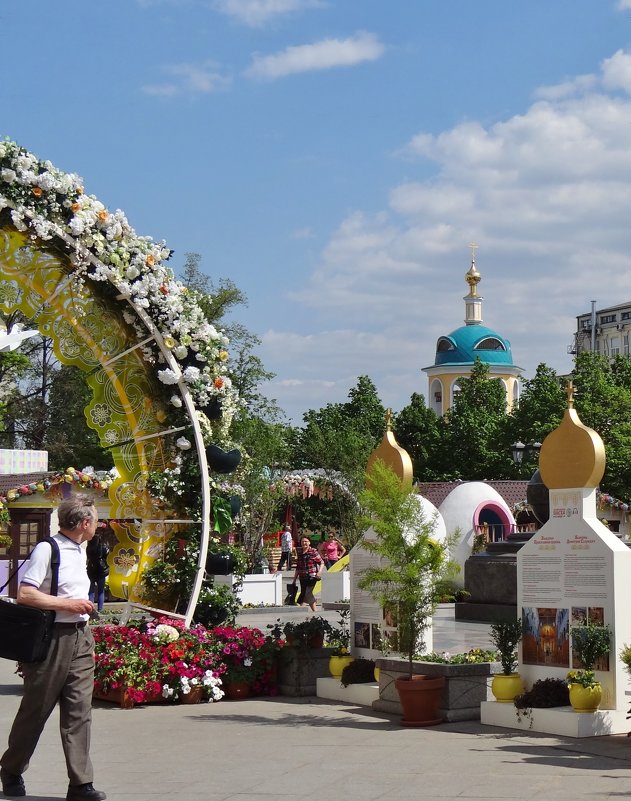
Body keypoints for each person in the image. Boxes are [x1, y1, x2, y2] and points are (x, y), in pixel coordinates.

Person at [0, 494, 106, 801]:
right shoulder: (48, 548)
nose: (97, 524)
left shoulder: (80, 549)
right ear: (85, 522)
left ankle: (81, 783)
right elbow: (26, 595)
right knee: (36, 712)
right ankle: (11, 769)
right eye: (95, 519)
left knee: (79, 712)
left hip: (80, 638)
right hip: (51, 641)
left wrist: (81, 620)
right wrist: (68, 604)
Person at [293, 536, 323, 612]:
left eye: (306, 541)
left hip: (312, 576)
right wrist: (294, 579)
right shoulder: (300, 552)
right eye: (302, 541)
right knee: (305, 593)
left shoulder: (313, 551)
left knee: (307, 593)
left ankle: (301, 610)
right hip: (302, 577)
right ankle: (315, 612)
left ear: (309, 543)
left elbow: (321, 562)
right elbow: (298, 567)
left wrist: (319, 572)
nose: (304, 543)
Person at [86, 530, 109, 615]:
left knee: (91, 590)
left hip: (91, 569)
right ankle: (100, 609)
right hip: (101, 570)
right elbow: (106, 556)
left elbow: (88, 557)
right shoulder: (103, 547)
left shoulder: (89, 548)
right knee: (101, 590)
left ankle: (90, 608)